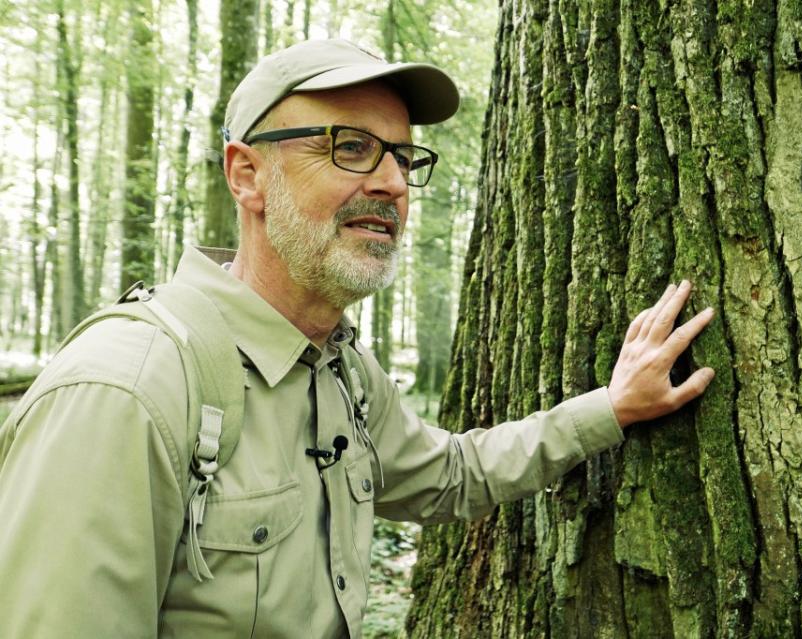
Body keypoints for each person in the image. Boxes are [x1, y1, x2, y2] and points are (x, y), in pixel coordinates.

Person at [0, 39, 715, 638]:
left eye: (404, 159)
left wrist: (612, 407)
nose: (391, 182)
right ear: (246, 174)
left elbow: (451, 474)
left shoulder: (339, 369)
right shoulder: (127, 391)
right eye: (349, 147)